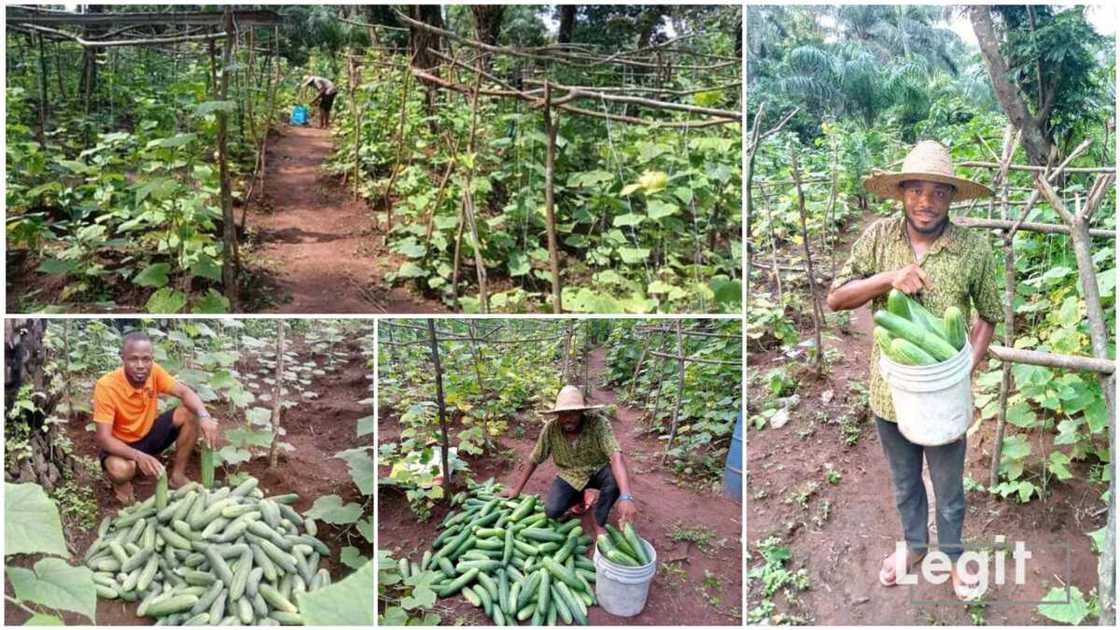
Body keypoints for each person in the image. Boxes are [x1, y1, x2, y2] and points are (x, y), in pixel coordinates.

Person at [827, 140, 1001, 601]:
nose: (927, 202)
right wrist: (888, 278)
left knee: (949, 487)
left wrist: (964, 368)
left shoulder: (973, 249)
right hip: (890, 389)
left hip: (945, 395)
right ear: (902, 192)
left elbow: (989, 314)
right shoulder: (877, 238)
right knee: (905, 482)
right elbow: (836, 298)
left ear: (951, 197)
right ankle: (915, 546)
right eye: (917, 191)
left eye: (939, 192)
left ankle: (955, 555)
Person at [93, 331, 220, 505]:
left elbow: (184, 392)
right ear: (123, 358)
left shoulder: (154, 372)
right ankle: (122, 483)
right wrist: (138, 456)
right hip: (119, 445)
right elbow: (104, 439)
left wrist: (204, 415)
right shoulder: (106, 385)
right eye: (133, 359)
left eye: (146, 359)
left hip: (148, 435)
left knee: (190, 412)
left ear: (152, 359)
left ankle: (177, 476)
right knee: (120, 470)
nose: (140, 365)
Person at [500, 385, 636, 537]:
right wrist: (516, 490)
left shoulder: (598, 423)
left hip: (599, 469)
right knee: (552, 511)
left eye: (573, 413)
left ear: (581, 411)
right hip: (570, 475)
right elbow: (534, 459)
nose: (568, 418)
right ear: (557, 414)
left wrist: (626, 496)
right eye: (563, 414)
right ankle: (581, 500)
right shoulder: (551, 429)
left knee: (614, 481)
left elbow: (616, 456)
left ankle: (599, 522)